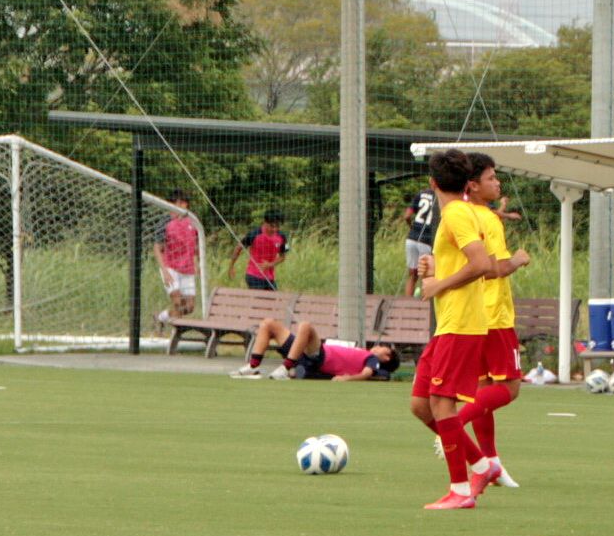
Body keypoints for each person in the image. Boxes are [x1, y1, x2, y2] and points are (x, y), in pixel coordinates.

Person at [406, 150, 493, 511]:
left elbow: (481, 263)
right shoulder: (458, 213)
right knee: (421, 405)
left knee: (442, 404)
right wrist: (435, 267)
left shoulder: (457, 214)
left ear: (432, 183)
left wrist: (439, 285)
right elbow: (465, 261)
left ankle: (460, 490)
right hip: (450, 324)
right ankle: (483, 466)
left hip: (461, 324)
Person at [454, 159, 531, 496]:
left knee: (483, 387)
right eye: (491, 178)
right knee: (510, 388)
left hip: (472, 314)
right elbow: (494, 268)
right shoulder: (488, 219)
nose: (497, 183)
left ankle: (490, 463)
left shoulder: (461, 215)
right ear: (472, 185)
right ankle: (453, 426)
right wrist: (517, 260)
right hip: (495, 316)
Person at [230, 318, 399, 382]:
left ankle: (285, 368)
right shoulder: (363, 352)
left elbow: (367, 373)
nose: (378, 346)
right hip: (304, 351)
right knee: (268, 324)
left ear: (386, 357)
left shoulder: (372, 359)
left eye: (382, 348)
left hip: (319, 356)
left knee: (306, 326)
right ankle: (253, 367)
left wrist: (347, 379)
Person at [151, 191, 200, 327]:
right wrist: (165, 271)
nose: (181, 205)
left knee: (189, 307)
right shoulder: (165, 222)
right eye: (177, 203)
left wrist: (196, 263)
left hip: (187, 269)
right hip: (170, 267)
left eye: (183, 203)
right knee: (178, 302)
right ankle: (176, 332)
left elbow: (195, 245)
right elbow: (157, 248)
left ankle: (160, 317)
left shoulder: (192, 221)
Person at [228, 211, 289, 291]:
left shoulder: (282, 237)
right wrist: (231, 267)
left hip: (270, 278)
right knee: (260, 298)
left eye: (277, 226)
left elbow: (282, 257)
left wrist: (270, 264)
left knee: (275, 298)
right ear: (265, 222)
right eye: (272, 226)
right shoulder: (254, 234)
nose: (275, 229)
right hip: (253, 276)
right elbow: (238, 248)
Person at [401, 182, 440, 297]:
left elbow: (407, 216)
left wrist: (411, 227)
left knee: (412, 274)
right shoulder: (440, 197)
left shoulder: (421, 194)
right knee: (426, 274)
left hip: (412, 238)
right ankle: (425, 302)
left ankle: (407, 302)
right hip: (427, 239)